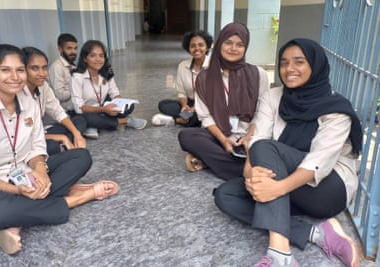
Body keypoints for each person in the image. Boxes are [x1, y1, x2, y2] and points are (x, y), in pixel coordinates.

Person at [0, 44, 119, 255]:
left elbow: (37, 145)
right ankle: (73, 199)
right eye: (5, 70)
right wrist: (16, 190)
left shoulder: (28, 104)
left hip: (24, 175)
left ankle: (18, 218)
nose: (15, 77)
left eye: (19, 70)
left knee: (80, 156)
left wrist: (39, 169)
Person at [214, 38, 362, 267]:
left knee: (265, 149)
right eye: (284, 63)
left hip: (328, 188)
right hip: (287, 181)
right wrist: (251, 174)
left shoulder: (337, 108)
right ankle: (316, 233)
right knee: (225, 195)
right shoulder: (274, 96)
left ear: (316, 65)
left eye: (299, 62)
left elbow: (319, 162)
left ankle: (280, 255)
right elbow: (258, 136)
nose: (289, 69)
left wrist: (277, 187)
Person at [178, 22, 269, 180]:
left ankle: (211, 161)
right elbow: (206, 117)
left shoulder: (258, 74)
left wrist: (248, 137)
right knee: (186, 136)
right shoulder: (205, 77)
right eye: (228, 42)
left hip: (251, 133)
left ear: (245, 47)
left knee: (270, 141)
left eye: (240, 44)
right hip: (220, 134)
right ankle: (245, 168)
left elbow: (263, 112)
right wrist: (224, 140)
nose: (233, 48)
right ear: (220, 44)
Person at [70, 40, 147, 139]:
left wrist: (120, 105)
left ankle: (96, 125)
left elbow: (115, 93)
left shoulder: (106, 72)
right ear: (85, 58)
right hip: (86, 111)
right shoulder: (77, 77)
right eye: (93, 56)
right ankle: (125, 121)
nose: (98, 59)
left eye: (101, 56)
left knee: (129, 106)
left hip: (103, 107)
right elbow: (79, 108)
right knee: (87, 119)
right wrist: (103, 110)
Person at [22, 46, 87, 155]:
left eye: (44, 68)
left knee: (79, 121)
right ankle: (62, 144)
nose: (42, 73)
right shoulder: (17, 94)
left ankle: (66, 143)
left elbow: (58, 111)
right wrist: (62, 137)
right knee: (51, 146)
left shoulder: (43, 86)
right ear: (23, 69)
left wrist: (76, 134)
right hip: (26, 141)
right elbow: (26, 134)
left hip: (41, 132)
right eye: (34, 68)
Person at [151, 30, 213, 127]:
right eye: (193, 46)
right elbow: (181, 93)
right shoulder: (183, 66)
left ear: (207, 46)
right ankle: (190, 119)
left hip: (207, 104)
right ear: (188, 48)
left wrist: (196, 108)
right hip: (189, 102)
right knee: (163, 105)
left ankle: (176, 120)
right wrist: (184, 105)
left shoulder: (214, 66)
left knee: (210, 113)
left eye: (201, 45)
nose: (197, 48)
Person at [48, 33, 78, 113]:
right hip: (67, 110)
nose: (73, 52)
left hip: (78, 102)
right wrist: (78, 87)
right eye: (69, 48)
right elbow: (60, 95)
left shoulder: (74, 66)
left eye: (75, 48)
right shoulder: (56, 67)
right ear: (60, 49)